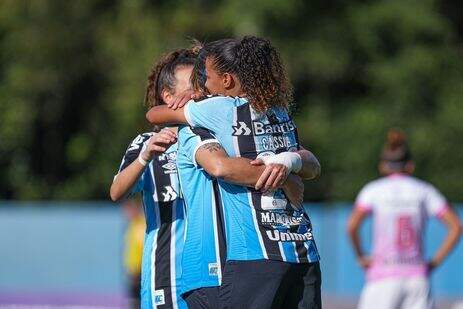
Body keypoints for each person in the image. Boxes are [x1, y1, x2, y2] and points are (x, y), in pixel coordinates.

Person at [146, 36, 322, 308]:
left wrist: (192, 101)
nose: (202, 85)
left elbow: (220, 166)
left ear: (226, 80)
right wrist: (288, 169)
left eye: (206, 77)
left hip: (256, 252)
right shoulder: (279, 111)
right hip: (302, 249)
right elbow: (312, 163)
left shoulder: (218, 110)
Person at [110, 48, 197, 309]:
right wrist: (145, 157)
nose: (198, 93)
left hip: (217, 274)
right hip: (167, 274)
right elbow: (116, 192)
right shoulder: (147, 143)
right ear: (168, 96)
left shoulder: (216, 142)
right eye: (191, 86)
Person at [347, 129, 462, 309]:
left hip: (383, 276)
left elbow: (352, 226)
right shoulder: (424, 191)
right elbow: (455, 226)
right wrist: (434, 262)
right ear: (410, 166)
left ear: (383, 166)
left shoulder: (373, 190)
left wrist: (361, 256)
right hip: (416, 277)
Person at [122, 199, 146, 308]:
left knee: (137, 301)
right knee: (133, 300)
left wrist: (138, 268)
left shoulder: (140, 226)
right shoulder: (132, 225)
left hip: (139, 272)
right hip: (133, 271)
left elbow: (142, 248)